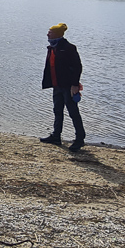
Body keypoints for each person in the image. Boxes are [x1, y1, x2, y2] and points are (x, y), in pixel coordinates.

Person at [39, 23, 86, 152]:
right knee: (57, 110)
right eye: (48, 32)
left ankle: (80, 139)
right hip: (57, 85)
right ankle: (56, 136)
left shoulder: (69, 48)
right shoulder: (52, 47)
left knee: (73, 112)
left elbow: (77, 67)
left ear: (58, 34)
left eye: (50, 32)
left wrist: (75, 85)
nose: (48, 34)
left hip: (68, 86)